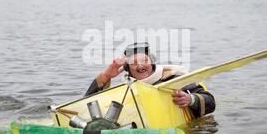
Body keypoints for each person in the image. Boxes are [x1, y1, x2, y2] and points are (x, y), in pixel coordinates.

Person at [85, 43, 216, 119]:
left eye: (145, 61)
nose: (140, 66)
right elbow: (86, 105)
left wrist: (190, 99)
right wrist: (106, 75)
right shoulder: (126, 89)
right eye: (134, 63)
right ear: (128, 69)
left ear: (152, 63)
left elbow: (210, 102)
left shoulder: (173, 78)